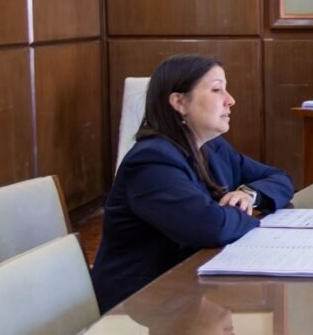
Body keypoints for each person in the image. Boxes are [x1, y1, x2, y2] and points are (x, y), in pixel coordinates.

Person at [92, 55, 294, 313]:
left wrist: (248, 194)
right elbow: (211, 227)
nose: (230, 100)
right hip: (142, 303)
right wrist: (244, 211)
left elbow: (280, 178)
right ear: (179, 102)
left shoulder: (213, 146)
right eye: (217, 90)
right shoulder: (151, 161)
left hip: (188, 289)